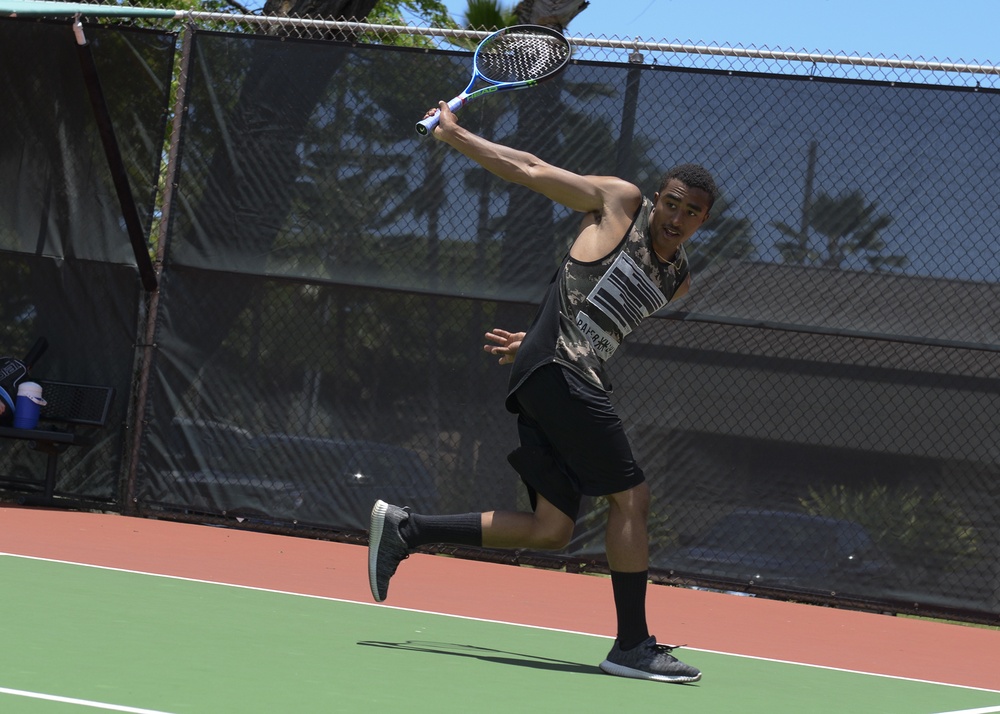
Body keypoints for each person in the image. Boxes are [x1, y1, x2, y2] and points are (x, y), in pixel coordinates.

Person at [368, 100, 717, 684]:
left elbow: (595, 307)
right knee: (632, 499)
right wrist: (454, 135)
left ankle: (408, 528)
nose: (676, 218)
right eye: (672, 205)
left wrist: (534, 341)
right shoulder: (619, 203)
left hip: (551, 368)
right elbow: (529, 168)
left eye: (693, 213)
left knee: (552, 530)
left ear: (705, 221)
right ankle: (631, 645)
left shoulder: (677, 281)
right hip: (561, 374)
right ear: (657, 200)